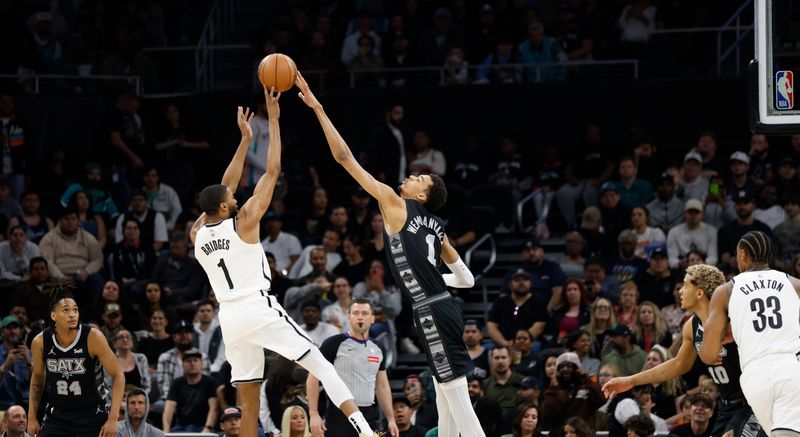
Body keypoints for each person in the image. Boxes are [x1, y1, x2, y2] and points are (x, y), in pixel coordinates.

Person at [296, 71, 485, 437]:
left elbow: (344, 157)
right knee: (444, 399)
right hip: (442, 304)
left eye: (420, 179)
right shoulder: (437, 227)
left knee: (454, 392)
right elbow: (467, 279)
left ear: (421, 196)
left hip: (431, 306)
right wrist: (433, 278)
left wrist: (318, 109)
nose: (412, 176)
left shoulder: (397, 205)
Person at [190, 98, 378, 437]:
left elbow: (224, 188)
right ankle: (365, 431)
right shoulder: (244, 222)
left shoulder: (197, 233)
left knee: (247, 398)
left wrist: (245, 140)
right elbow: (272, 171)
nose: (236, 199)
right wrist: (273, 120)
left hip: (229, 317)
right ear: (224, 206)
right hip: (256, 306)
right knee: (321, 364)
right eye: (230, 199)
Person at [603, 264, 764, 437]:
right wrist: (631, 380)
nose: (680, 291)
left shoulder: (733, 318)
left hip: (752, 402)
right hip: (726, 406)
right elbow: (678, 364)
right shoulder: (691, 326)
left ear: (700, 293)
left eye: (686, 285)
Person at [699, 231, 800, 434]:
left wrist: (733, 334)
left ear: (743, 254)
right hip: (790, 369)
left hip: (754, 378)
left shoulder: (725, 291)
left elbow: (708, 354)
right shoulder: (795, 284)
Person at [27, 283, 124, 437]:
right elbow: (37, 380)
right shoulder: (40, 342)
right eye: (66, 310)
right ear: (53, 316)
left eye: (75, 310)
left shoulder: (93, 337)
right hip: (58, 415)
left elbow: (118, 375)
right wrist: (31, 418)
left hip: (92, 413)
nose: (72, 314)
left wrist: (113, 418)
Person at [307, 298, 399, 437]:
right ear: (349, 318)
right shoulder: (333, 344)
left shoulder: (379, 348)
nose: (360, 317)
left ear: (373, 318)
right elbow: (313, 378)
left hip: (369, 414)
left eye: (365, 313)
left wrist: (391, 419)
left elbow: (382, 386)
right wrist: (313, 414)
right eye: (355, 313)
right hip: (339, 415)